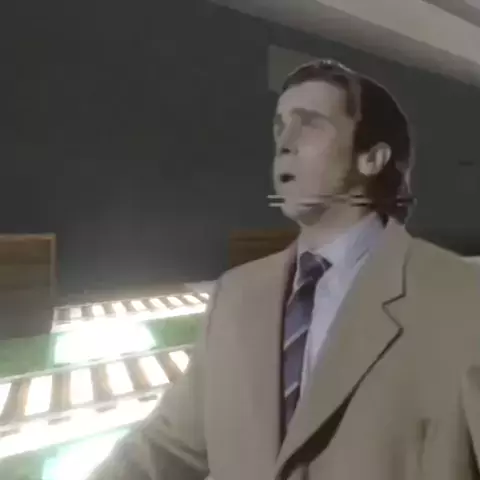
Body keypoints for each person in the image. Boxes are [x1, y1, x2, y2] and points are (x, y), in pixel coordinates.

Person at [88, 60, 480, 480]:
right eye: (280, 126)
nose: (285, 143)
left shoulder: (462, 300)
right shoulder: (235, 295)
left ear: (371, 158)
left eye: (309, 124)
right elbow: (169, 444)